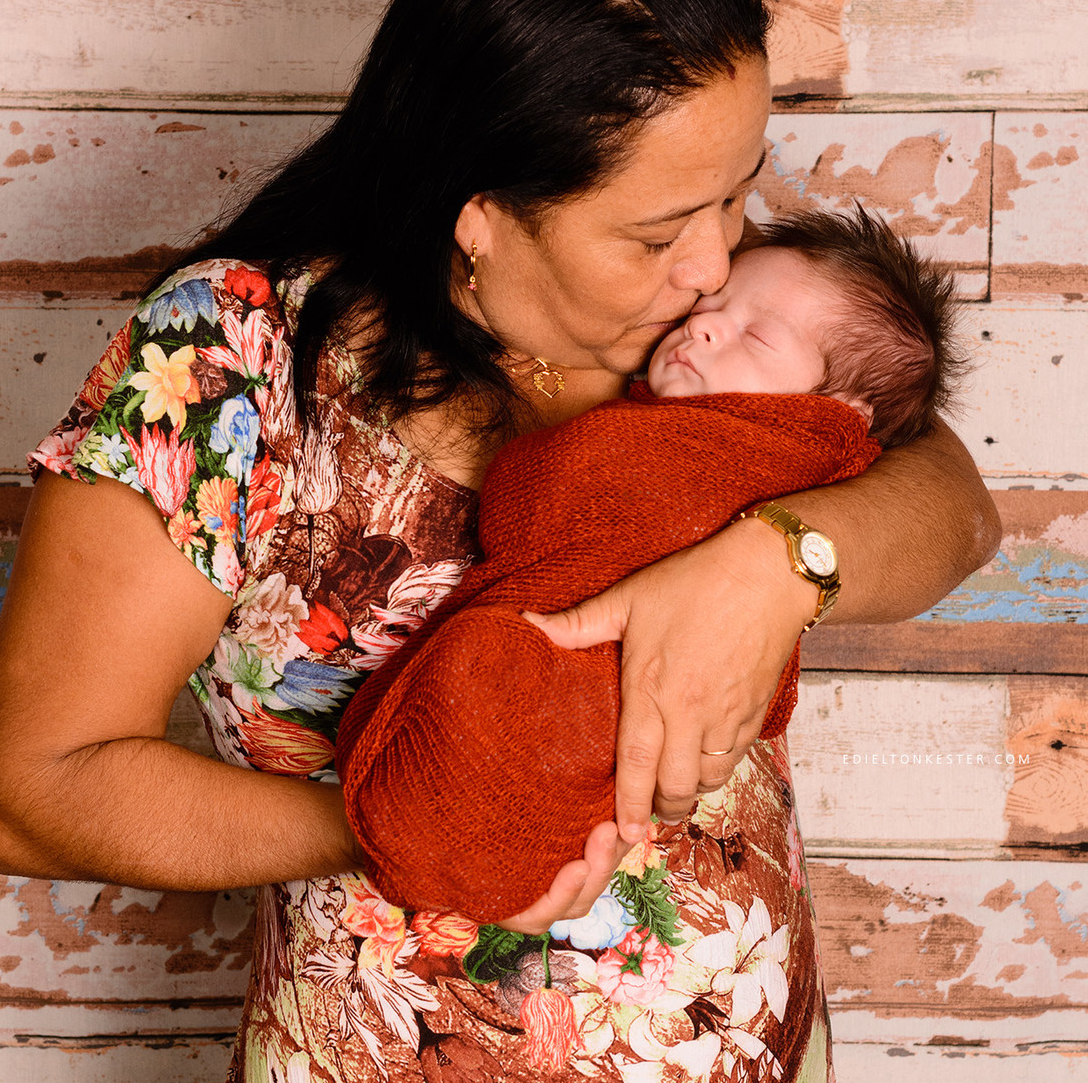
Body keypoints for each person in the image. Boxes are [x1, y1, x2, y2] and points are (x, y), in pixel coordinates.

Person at [0, 0, 998, 1083]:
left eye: (737, 196)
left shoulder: (697, 347)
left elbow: (945, 499)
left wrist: (771, 562)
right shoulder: (237, 365)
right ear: (480, 216)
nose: (719, 261)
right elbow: (35, 791)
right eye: (663, 228)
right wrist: (399, 825)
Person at [337, 204, 965, 924]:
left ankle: (477, 833)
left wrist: (769, 568)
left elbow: (538, 499)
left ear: (834, 412)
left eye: (753, 335)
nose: (701, 314)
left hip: (721, 964)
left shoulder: (781, 437)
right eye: (714, 308)